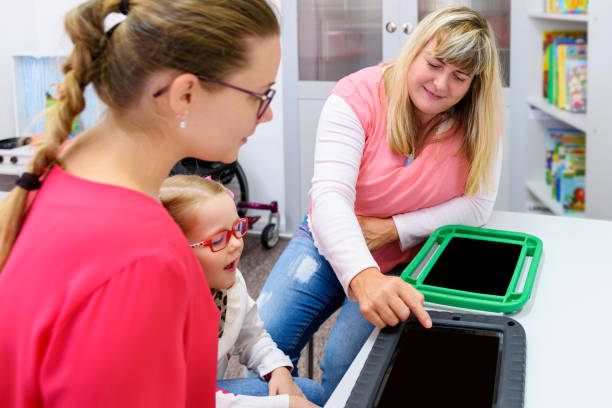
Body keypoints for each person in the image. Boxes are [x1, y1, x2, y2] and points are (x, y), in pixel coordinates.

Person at [0, 0, 281, 406]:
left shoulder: (64, 166)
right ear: (185, 94)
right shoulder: (144, 263)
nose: (268, 114)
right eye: (260, 94)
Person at [257, 5, 504, 402]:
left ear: (474, 84)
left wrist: (392, 230)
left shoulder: (480, 122)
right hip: (328, 237)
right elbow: (329, 197)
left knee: (348, 369)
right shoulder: (356, 95)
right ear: (415, 49)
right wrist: (363, 276)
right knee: (264, 346)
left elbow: (477, 207)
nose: (441, 84)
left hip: (409, 258)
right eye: (434, 63)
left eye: (459, 77)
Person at [160, 175, 324, 408]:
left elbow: (251, 335)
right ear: (176, 253)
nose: (237, 244)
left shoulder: (229, 283)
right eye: (218, 240)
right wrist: (283, 405)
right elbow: (187, 398)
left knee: (311, 393)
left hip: (206, 391)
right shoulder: (160, 318)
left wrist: (277, 368)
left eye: (237, 228)